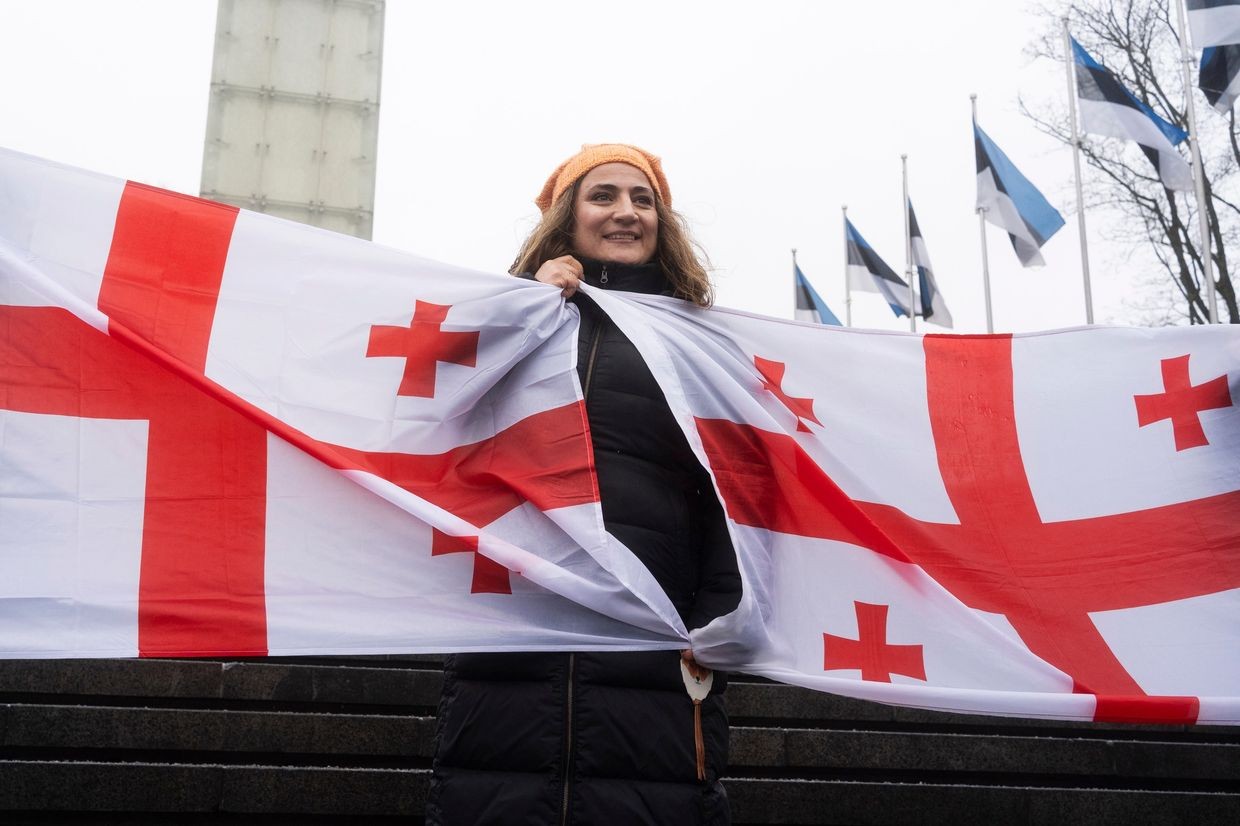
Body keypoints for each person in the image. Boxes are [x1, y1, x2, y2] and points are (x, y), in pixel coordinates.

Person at [426, 144, 742, 826]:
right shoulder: (514, 319)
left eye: (643, 199)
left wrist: (717, 617)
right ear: (566, 219)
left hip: (653, 638)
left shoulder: (700, 344)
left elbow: (734, 495)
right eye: (603, 196)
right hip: (511, 632)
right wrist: (525, 309)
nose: (626, 212)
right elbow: (433, 418)